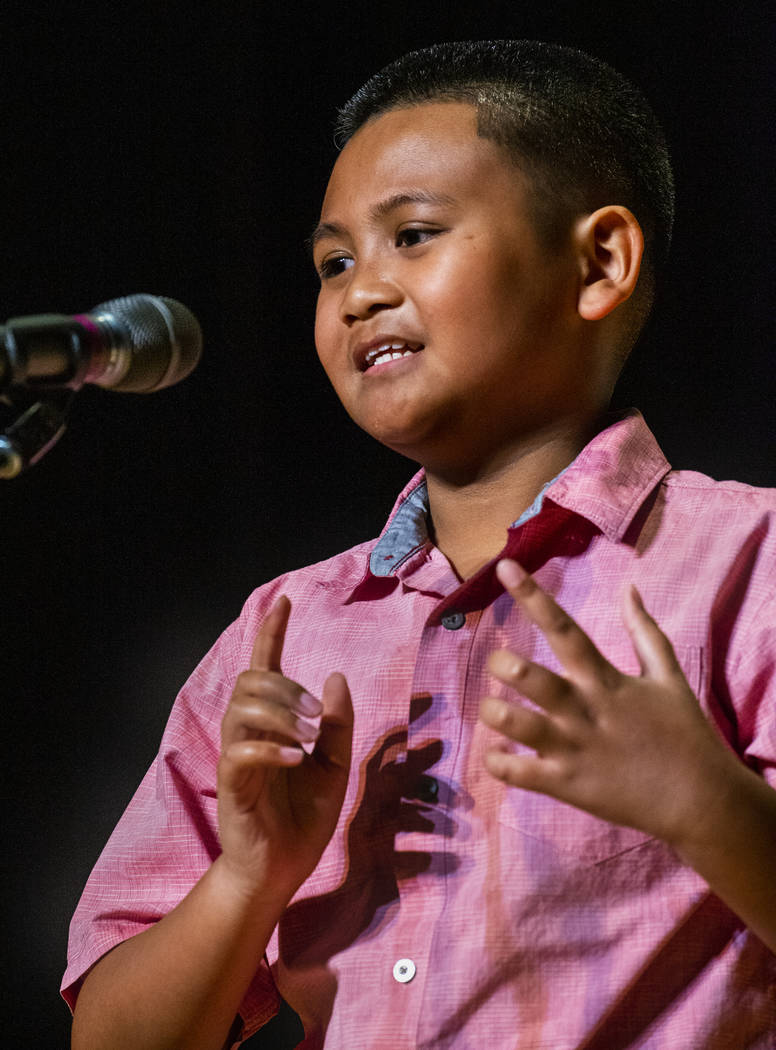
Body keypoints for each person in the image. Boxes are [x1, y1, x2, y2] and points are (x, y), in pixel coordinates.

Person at [63, 40, 776, 1050]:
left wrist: (703, 805)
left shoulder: (746, 566)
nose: (359, 292)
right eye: (333, 262)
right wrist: (246, 877)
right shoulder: (287, 628)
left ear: (597, 262)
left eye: (414, 234)